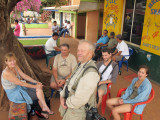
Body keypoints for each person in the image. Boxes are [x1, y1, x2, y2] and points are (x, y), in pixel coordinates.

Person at [1, 52, 54, 119]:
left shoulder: (15, 66)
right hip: (14, 93)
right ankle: (41, 110)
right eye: (10, 61)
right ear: (6, 62)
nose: (13, 62)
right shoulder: (7, 73)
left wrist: (36, 82)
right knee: (37, 93)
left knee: (38, 88)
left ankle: (44, 107)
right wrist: (35, 86)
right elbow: (21, 83)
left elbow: (24, 75)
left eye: (14, 60)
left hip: (19, 87)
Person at [59, 40, 100, 120]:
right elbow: (69, 81)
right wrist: (62, 95)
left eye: (83, 51)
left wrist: (65, 102)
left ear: (90, 53)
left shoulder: (91, 73)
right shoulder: (80, 64)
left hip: (77, 110)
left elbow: (80, 99)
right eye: (78, 50)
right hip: (70, 102)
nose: (79, 53)